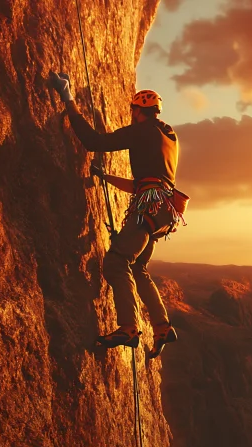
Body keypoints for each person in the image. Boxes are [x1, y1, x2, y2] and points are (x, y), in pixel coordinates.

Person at [48, 71, 179, 359]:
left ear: (137, 111)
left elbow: (93, 141)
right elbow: (144, 181)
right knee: (138, 268)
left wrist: (67, 97)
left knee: (117, 263)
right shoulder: (168, 137)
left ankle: (128, 328)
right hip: (162, 211)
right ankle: (162, 326)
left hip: (147, 206)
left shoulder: (142, 130)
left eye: (133, 111)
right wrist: (105, 177)